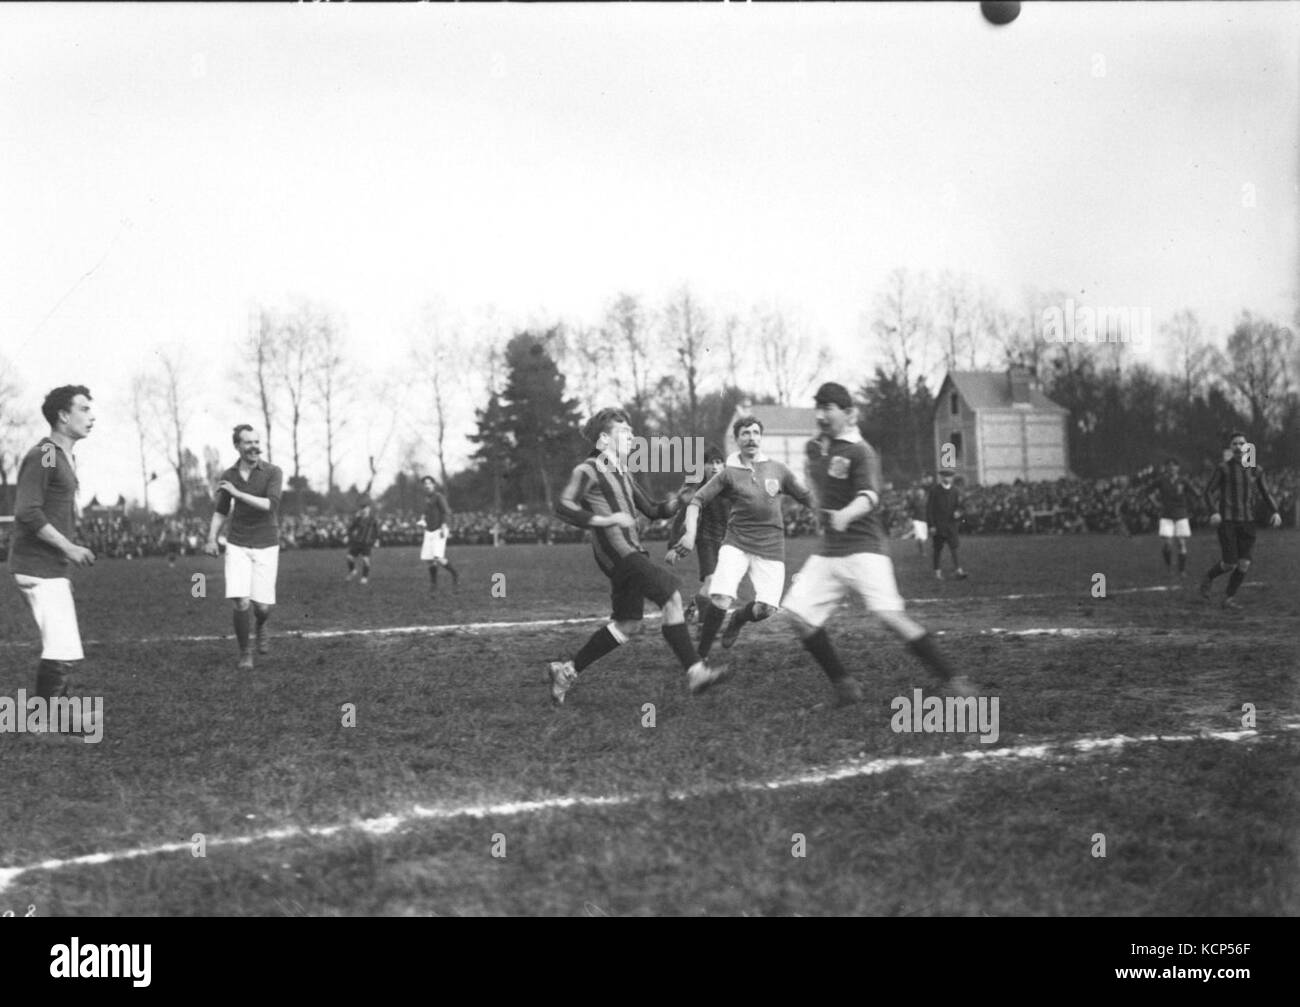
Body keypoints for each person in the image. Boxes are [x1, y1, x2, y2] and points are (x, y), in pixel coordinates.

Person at [782, 383, 975, 706]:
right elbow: (817, 487)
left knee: (889, 615)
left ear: (849, 413)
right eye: (818, 407)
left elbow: (869, 496)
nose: (821, 415)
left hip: (864, 549)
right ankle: (845, 687)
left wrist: (845, 515)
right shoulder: (815, 449)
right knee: (797, 615)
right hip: (829, 552)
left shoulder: (862, 452)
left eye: (828, 408)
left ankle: (953, 680)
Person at [548, 407, 725, 704]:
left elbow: (654, 510)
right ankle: (696, 672)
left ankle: (566, 671)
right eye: (624, 433)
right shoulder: (588, 469)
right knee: (672, 598)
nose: (632, 437)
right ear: (605, 439)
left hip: (631, 552)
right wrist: (604, 521)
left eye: (632, 432)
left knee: (627, 624)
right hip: (619, 553)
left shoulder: (623, 472)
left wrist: (679, 500)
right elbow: (562, 505)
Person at [675, 417, 813, 658]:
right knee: (720, 596)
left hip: (771, 547)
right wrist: (689, 533)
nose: (751, 437)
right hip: (736, 543)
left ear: (761, 437)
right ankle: (700, 657)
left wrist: (833, 511)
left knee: (766, 610)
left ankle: (739, 618)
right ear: (737, 440)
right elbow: (697, 500)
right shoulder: (729, 474)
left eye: (756, 432)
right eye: (745, 433)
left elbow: (806, 497)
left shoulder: (778, 470)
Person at [10, 385, 98, 735]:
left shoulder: (63, 456)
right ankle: (45, 720)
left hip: (48, 568)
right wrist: (69, 547)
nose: (92, 416)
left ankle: (54, 716)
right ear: (63, 415)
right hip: (38, 567)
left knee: (62, 643)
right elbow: (27, 511)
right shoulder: (46, 454)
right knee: (62, 644)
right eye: (85, 409)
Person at [205, 425, 283, 670]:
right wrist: (210, 538)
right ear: (237, 446)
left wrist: (238, 494)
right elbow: (221, 511)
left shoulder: (273, 472)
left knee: (262, 607)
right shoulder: (229, 475)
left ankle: (261, 624)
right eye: (248, 442)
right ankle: (244, 652)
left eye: (257, 442)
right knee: (240, 601)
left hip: (266, 543)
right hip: (237, 542)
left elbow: (269, 505)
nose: (254, 447)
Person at [1199, 432, 1282, 609]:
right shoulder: (1223, 468)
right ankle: (1208, 577)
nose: (1238, 446)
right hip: (1227, 521)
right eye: (1234, 443)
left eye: (1241, 443)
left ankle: (1228, 598)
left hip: (1248, 522)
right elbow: (1207, 492)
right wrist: (1214, 511)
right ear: (1230, 448)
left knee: (1244, 563)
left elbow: (1265, 492)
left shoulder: (1255, 469)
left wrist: (1275, 511)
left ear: (1247, 447)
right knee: (1230, 563)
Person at [665, 445, 727, 625]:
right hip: (706, 540)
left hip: (727, 543)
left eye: (718, 462)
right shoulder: (697, 490)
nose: (715, 467)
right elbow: (680, 518)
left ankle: (695, 603)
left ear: (723, 465)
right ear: (703, 467)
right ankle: (703, 625)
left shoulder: (730, 486)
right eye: (710, 463)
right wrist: (673, 546)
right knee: (712, 582)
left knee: (719, 588)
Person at [1147, 457, 1195, 577]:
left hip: (1181, 515)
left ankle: (1182, 570)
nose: (1171, 468)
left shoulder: (1183, 481)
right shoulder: (1161, 480)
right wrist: (1155, 503)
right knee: (1167, 544)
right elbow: (1148, 491)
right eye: (1169, 466)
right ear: (1166, 468)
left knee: (1181, 543)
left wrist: (1189, 506)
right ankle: (1169, 567)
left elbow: (1194, 493)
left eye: (1174, 465)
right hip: (1166, 515)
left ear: (1178, 468)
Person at [418, 476, 460, 592]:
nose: (427, 485)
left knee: (438, 557)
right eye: (425, 484)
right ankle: (434, 584)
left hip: (439, 529)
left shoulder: (438, 496)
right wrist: (422, 519)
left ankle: (455, 574)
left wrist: (444, 525)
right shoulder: (426, 498)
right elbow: (425, 513)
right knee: (429, 559)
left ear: (433, 484)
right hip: (429, 530)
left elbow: (446, 512)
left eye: (429, 483)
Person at [926, 468, 968, 580]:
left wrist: (958, 513)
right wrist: (931, 525)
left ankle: (958, 570)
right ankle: (937, 572)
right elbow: (929, 509)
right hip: (938, 525)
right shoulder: (934, 491)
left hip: (951, 525)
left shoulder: (955, 491)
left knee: (954, 547)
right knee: (937, 549)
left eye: (949, 476)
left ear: (952, 478)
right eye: (944, 476)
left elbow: (961, 507)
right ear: (941, 477)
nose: (947, 478)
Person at [345, 499, 381, 584]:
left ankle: (364, 577)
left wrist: (377, 540)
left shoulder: (373, 519)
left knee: (365, 559)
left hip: (367, 543)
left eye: (365, 508)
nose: (364, 510)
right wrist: (348, 536)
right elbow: (351, 528)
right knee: (349, 558)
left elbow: (377, 531)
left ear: (369, 509)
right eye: (362, 508)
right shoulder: (358, 519)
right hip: (357, 542)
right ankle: (353, 571)